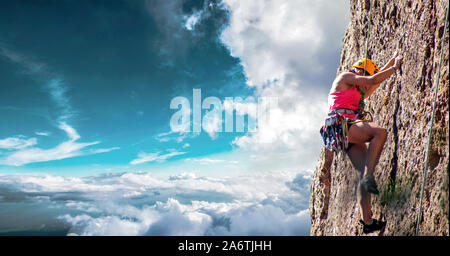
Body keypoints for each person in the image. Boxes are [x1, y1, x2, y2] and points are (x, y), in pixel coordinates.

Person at [323, 51, 403, 234]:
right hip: (344, 124)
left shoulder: (357, 91)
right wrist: (395, 66)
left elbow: (376, 80)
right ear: (359, 71)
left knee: (362, 176)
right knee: (379, 133)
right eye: (363, 75)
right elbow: (373, 79)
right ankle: (369, 176)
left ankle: (367, 221)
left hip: (344, 131)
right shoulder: (345, 76)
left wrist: (392, 60)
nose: (363, 79)